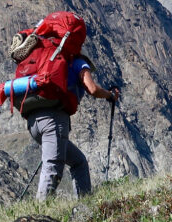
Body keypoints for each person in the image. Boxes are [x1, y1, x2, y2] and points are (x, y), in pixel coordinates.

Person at [24, 52, 118, 200]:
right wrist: (110, 95)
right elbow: (93, 89)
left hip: (33, 120)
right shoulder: (79, 63)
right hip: (53, 120)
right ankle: (39, 216)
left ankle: (84, 206)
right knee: (52, 167)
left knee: (79, 161)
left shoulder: (46, 61)